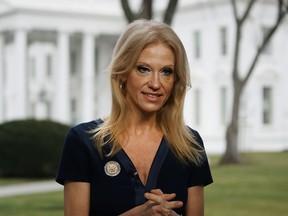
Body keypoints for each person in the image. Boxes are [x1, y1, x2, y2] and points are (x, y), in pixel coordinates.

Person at [56, 19, 213, 216]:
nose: (156, 83)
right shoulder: (83, 141)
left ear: (175, 80)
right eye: (143, 69)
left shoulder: (190, 145)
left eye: (166, 71)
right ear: (122, 73)